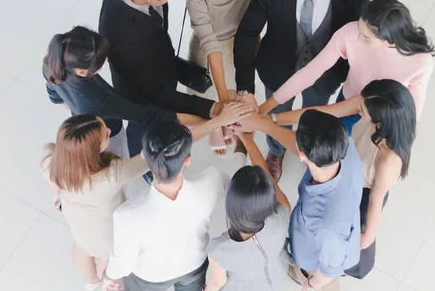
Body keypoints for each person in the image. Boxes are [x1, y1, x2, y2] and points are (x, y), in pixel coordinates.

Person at [234, 0, 369, 181]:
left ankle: (307, 150)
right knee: (277, 113)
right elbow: (248, 32)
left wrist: (344, 77)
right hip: (277, 70)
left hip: (324, 76)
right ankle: (276, 151)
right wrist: (244, 89)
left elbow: (361, 44)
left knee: (312, 114)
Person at [43, 26, 252, 179]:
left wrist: (75, 108)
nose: (107, 60)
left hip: (84, 117)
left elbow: (55, 96)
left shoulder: (52, 64)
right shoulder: (99, 103)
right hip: (107, 129)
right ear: (81, 71)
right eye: (101, 61)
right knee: (118, 161)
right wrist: (214, 119)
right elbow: (149, 115)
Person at [270, 79, 417, 279]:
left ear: (379, 121)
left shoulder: (390, 159)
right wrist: (272, 119)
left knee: (327, 247)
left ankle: (309, 274)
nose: (358, 109)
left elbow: (375, 200)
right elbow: (324, 112)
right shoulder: (372, 105)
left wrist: (362, 239)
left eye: (362, 109)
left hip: (359, 192)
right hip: (345, 168)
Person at [99, 0, 221, 157]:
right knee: (144, 128)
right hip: (139, 91)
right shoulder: (118, 37)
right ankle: (144, 162)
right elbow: (157, 94)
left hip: (156, 58)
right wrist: (210, 108)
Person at [262, 0, 435, 135]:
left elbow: (414, 107)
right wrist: (266, 107)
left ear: (390, 39)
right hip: (347, 100)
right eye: (360, 29)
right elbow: (311, 72)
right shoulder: (351, 32)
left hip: (379, 118)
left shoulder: (421, 62)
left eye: (367, 38)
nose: (358, 38)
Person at [233, 110, 364, 291]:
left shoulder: (328, 226)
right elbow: (300, 145)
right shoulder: (342, 146)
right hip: (312, 247)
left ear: (302, 154)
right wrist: (262, 126)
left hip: (314, 270)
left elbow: (329, 270)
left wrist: (310, 285)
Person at [102, 119, 230, 291]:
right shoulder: (211, 181)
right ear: (187, 160)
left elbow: (122, 265)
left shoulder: (126, 216)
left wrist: (107, 276)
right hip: (194, 266)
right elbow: (228, 182)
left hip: (149, 277)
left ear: (143, 156)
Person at [40, 114, 148, 291]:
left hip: (78, 223)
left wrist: (57, 193)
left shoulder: (51, 160)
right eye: (106, 135)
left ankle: (91, 281)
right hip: (107, 234)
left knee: (82, 247)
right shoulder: (113, 175)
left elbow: (46, 163)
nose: (110, 131)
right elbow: (151, 159)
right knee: (108, 267)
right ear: (92, 151)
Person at [187, 0, 256, 155]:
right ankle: (215, 126)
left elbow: (253, 13)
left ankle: (227, 123)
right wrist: (224, 103)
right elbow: (210, 45)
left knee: (236, 87)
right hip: (209, 47)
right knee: (210, 94)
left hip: (239, 40)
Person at [204, 131, 291, 291]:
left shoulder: (218, 250)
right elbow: (273, 186)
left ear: (230, 205)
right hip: (277, 275)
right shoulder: (282, 215)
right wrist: (247, 139)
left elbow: (216, 283)